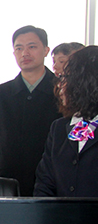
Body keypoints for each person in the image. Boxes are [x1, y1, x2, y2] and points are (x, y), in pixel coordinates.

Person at [0, 25, 61, 196]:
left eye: (32, 47)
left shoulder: (62, 92)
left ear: (46, 50)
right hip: (9, 179)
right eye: (19, 48)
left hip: (52, 181)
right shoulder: (0, 94)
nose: (25, 53)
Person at [34, 46, 98, 196]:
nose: (60, 85)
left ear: (87, 82)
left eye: (66, 78)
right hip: (58, 211)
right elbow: (44, 183)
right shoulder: (59, 128)